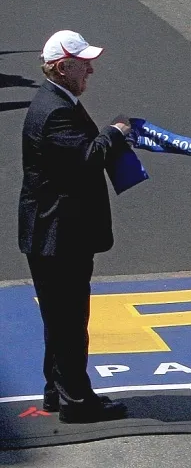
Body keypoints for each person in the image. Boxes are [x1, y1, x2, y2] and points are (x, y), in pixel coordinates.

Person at [19, 30, 131, 422]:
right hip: (58, 235)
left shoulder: (57, 101)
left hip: (55, 232)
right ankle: (78, 403)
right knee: (68, 321)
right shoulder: (55, 112)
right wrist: (115, 133)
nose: (91, 71)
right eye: (84, 65)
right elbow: (86, 159)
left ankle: (58, 390)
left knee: (59, 318)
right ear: (63, 67)